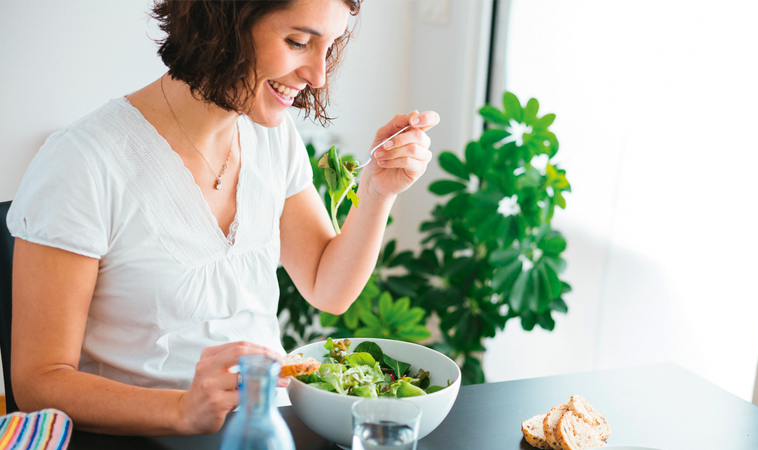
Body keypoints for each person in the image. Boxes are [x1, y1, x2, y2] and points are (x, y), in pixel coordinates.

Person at [6, 0, 439, 436]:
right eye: (298, 42)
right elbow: (38, 382)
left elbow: (329, 288)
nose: (319, 75)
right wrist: (181, 409)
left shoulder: (272, 137)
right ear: (223, 21)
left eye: (330, 47)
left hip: (267, 426)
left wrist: (378, 191)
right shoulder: (82, 163)